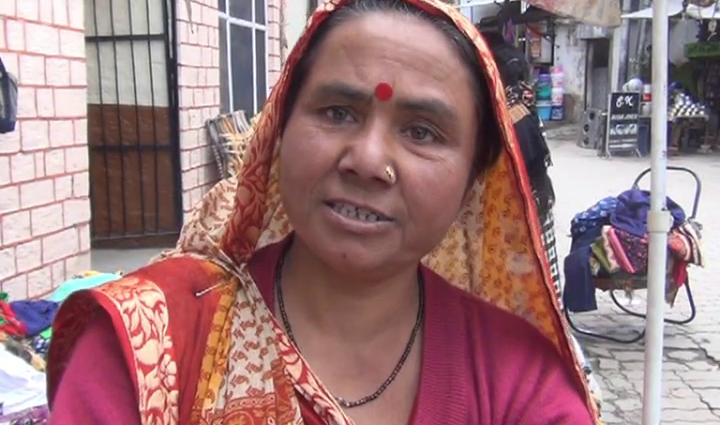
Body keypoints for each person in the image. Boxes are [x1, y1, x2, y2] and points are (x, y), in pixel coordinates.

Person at [47, 1, 599, 424]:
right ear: (279, 130)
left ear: (474, 181)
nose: (367, 160)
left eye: (421, 131)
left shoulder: (517, 381)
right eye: (337, 112)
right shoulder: (154, 346)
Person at [482, 30, 604, 410]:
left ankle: (555, 354)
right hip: (528, 212)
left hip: (523, 215)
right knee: (536, 286)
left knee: (530, 289)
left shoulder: (508, 115)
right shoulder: (518, 111)